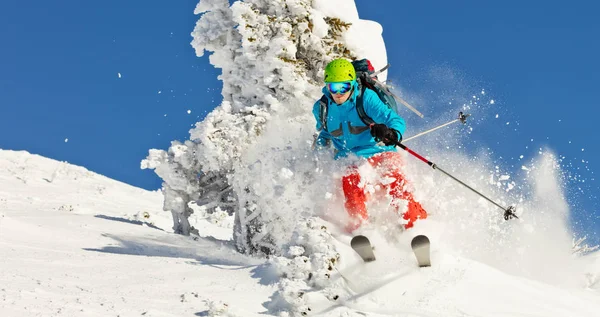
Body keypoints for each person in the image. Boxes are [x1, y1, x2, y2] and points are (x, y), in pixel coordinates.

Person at [312, 58, 427, 232]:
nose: (338, 93)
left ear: (351, 84)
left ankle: (416, 225)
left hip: (379, 150)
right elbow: (326, 133)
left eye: (343, 87)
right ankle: (362, 230)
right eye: (333, 87)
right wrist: (317, 153)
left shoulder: (365, 98)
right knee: (350, 181)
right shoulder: (323, 108)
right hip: (350, 157)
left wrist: (391, 133)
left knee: (394, 178)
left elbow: (394, 120)